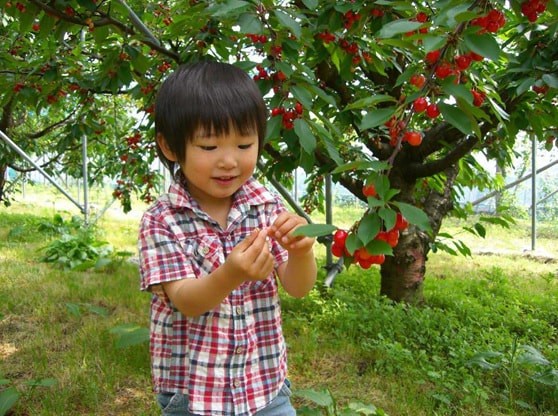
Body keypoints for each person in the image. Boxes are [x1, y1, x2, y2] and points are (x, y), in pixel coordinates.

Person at [138, 60, 317, 416]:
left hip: (264, 385)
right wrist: (231, 273)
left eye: (244, 144)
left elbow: (298, 288)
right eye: (209, 147)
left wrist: (301, 252)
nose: (229, 161)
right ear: (170, 147)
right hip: (193, 396)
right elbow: (186, 301)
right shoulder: (161, 220)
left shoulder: (265, 205)